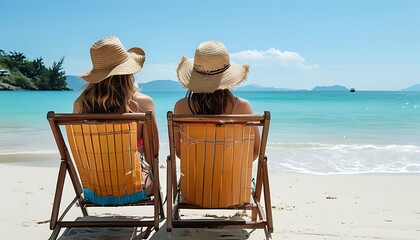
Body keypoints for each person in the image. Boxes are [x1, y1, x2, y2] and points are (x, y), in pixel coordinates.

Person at [74, 36, 158, 195]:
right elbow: (153, 153)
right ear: (128, 72)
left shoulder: (80, 105)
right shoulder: (143, 104)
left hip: (94, 189)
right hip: (135, 188)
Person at [174, 40, 260, 160]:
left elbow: (179, 152)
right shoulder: (242, 107)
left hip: (193, 178)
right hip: (235, 178)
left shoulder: (181, 107)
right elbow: (255, 151)